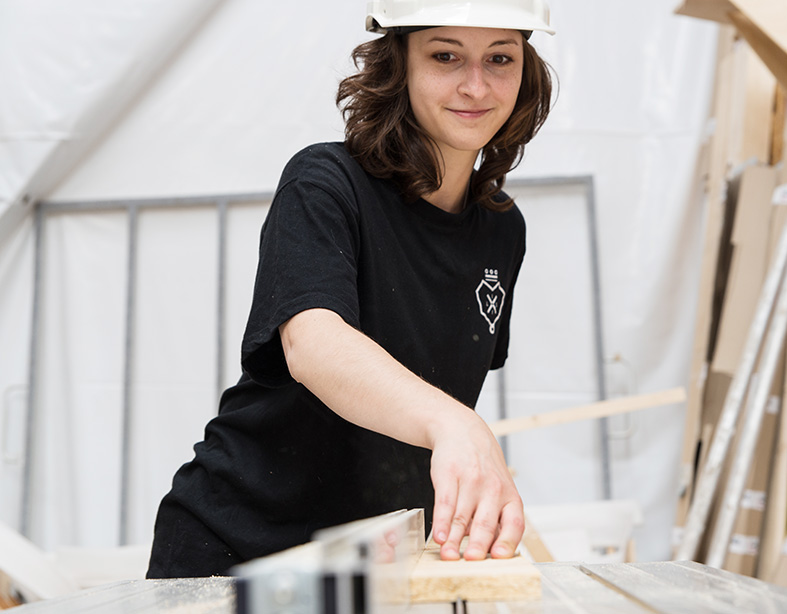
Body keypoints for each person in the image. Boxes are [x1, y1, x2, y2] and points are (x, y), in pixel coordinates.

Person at [147, 0, 554, 578]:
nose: (475, 84)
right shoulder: (325, 184)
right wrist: (458, 424)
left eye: (500, 58)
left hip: (369, 559)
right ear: (400, 66)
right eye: (445, 55)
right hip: (241, 547)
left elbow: (429, 399)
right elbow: (314, 344)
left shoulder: (502, 227)